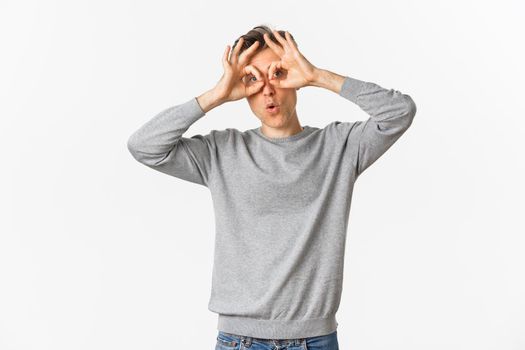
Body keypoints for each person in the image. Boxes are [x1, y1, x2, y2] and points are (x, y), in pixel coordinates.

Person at [127, 25, 417, 350]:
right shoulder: (223, 152)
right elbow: (144, 146)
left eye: (278, 74)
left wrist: (318, 76)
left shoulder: (339, 147)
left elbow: (400, 113)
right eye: (253, 79)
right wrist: (216, 94)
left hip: (315, 339)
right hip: (240, 340)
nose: (268, 90)